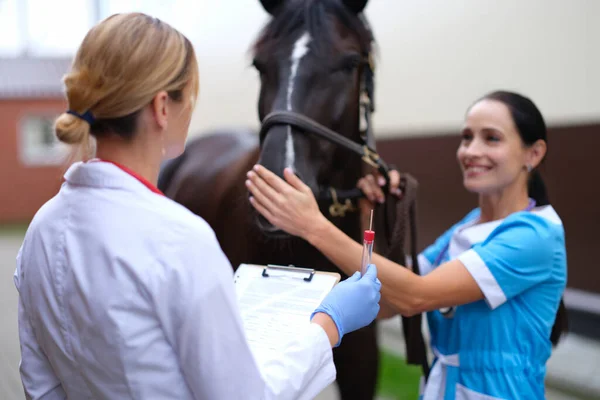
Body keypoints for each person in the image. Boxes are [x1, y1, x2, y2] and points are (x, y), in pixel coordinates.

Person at [13, 13, 382, 400]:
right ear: (161, 108)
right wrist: (330, 323)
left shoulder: (42, 227)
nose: (191, 108)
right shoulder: (181, 240)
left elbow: (40, 386)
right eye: (189, 95)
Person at [245, 90, 568, 399]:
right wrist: (368, 215)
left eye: (491, 138)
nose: (471, 151)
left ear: (534, 153)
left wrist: (312, 226)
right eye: (467, 137)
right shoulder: (469, 227)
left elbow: (416, 296)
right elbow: (388, 301)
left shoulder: (536, 236)